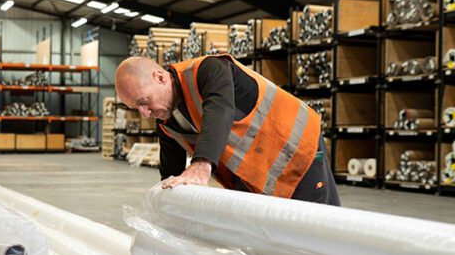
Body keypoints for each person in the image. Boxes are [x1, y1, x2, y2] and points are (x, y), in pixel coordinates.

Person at [115, 55, 340, 205]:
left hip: (300, 151)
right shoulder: (166, 120)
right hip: (257, 173)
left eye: (144, 101)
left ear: (161, 78)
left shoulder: (209, 70)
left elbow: (219, 110)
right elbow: (170, 176)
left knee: (316, 228)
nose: (144, 113)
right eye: (137, 108)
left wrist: (200, 166)